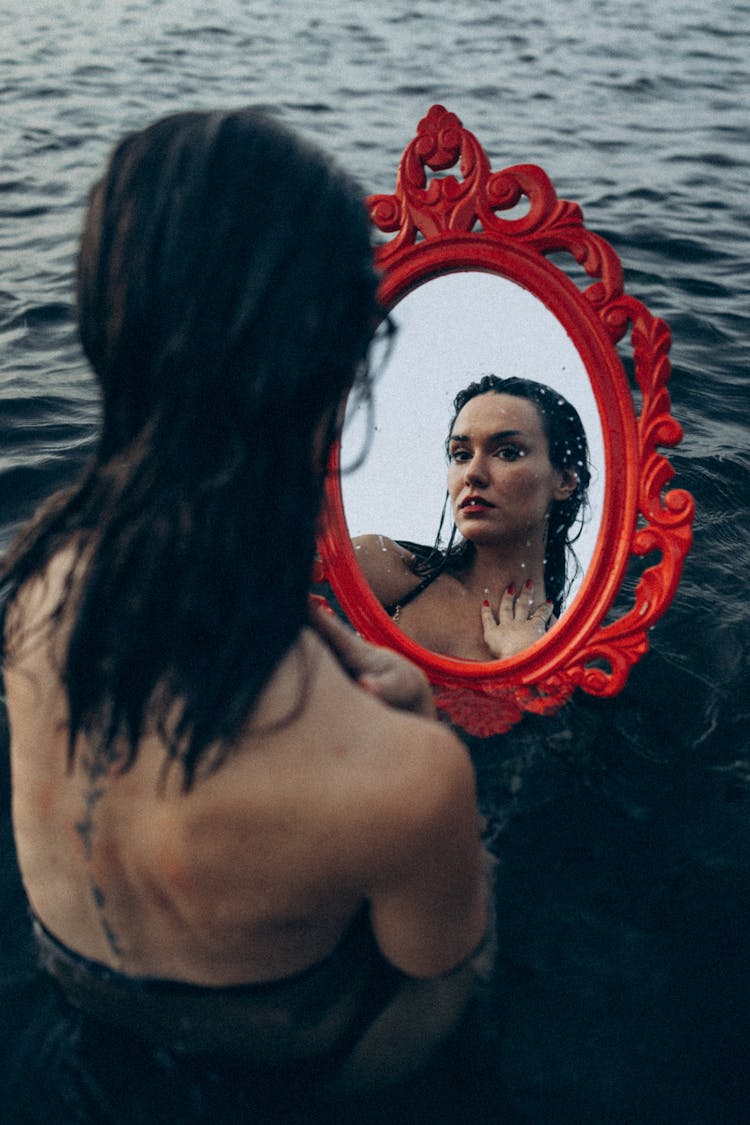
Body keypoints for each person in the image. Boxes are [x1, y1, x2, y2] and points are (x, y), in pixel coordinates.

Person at [0, 109, 491, 1116]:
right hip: (289, 1068)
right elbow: (436, 994)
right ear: (332, 380)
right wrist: (419, 731)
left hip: (70, 1008)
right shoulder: (407, 781)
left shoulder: (26, 587)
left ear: (106, 324)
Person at [354, 375, 591, 661]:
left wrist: (520, 657)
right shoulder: (382, 571)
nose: (472, 474)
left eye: (507, 452)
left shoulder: (570, 654)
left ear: (564, 480)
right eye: (461, 455)